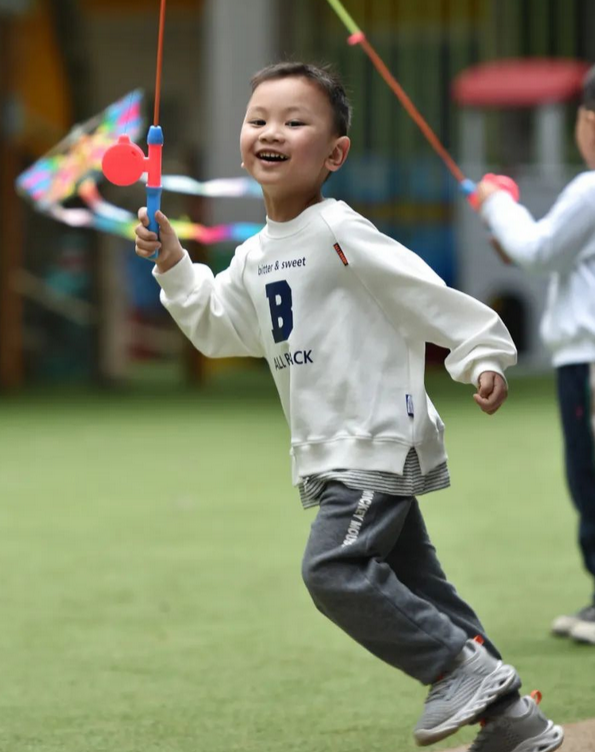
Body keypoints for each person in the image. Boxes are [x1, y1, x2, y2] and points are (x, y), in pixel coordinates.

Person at [135, 62, 563, 751]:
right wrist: (176, 267)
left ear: (334, 154)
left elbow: (425, 293)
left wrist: (482, 354)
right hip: (332, 447)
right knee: (423, 589)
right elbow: (220, 328)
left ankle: (458, 668)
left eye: (294, 121)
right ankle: (516, 721)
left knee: (332, 569)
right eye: (259, 120)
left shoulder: (339, 231)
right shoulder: (253, 257)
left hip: (375, 434)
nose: (271, 132)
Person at [476, 64, 595, 647]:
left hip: (589, 363)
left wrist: (496, 201)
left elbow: (541, 249)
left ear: (589, 124)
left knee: (589, 476)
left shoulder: (592, 187)